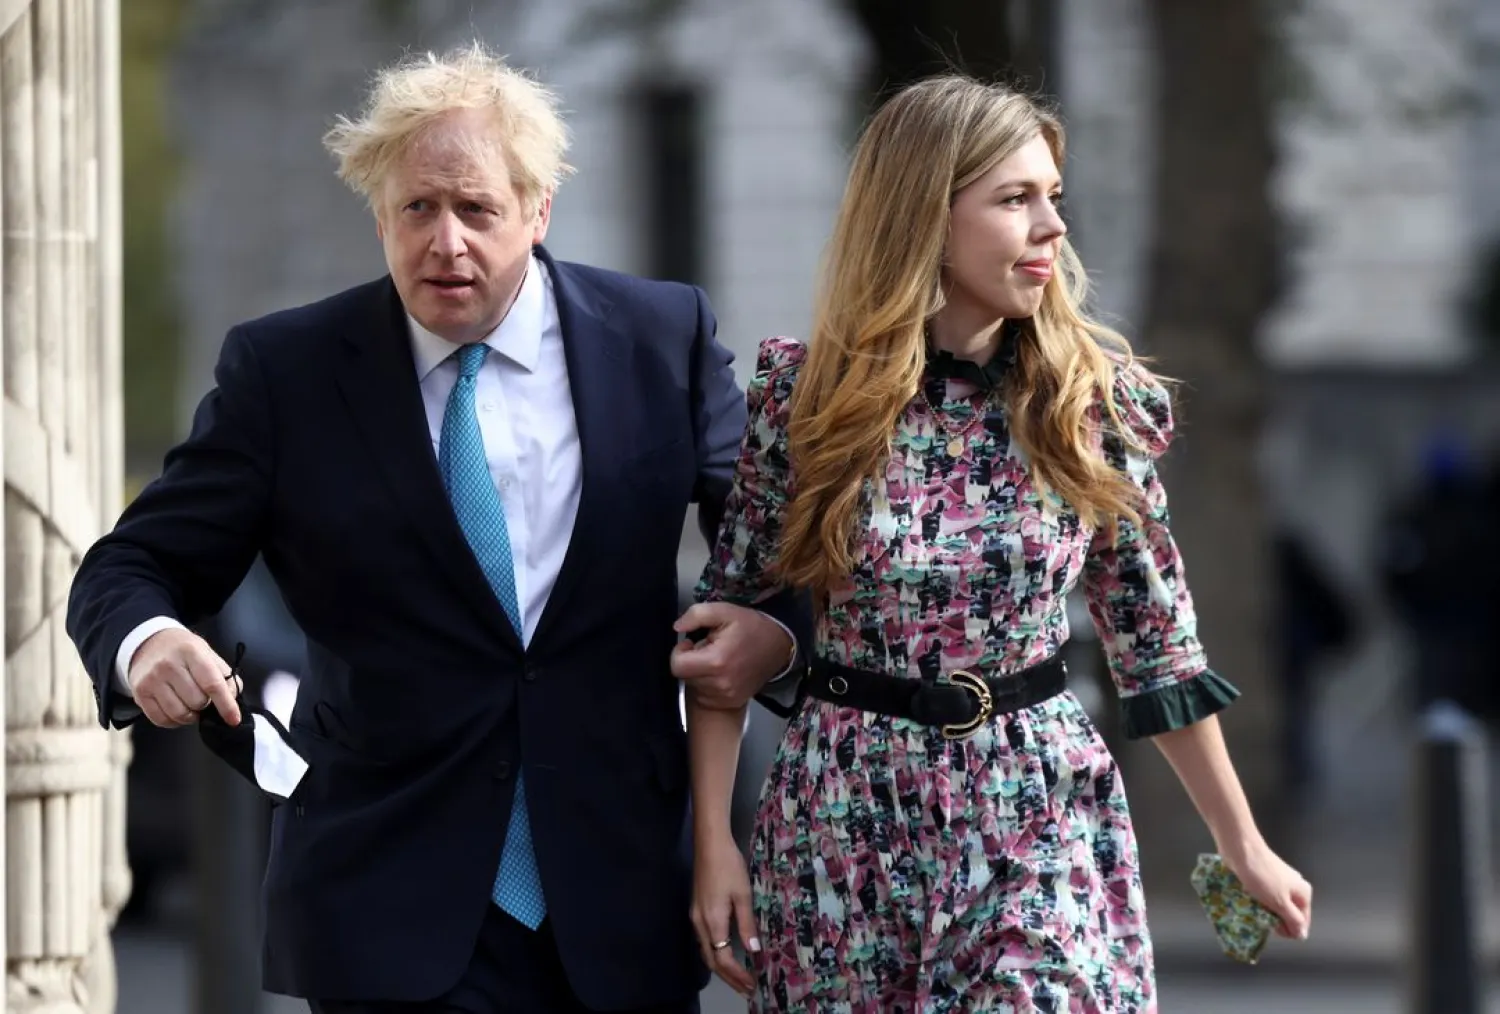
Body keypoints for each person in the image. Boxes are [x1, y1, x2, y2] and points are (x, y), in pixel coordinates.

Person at [66, 43, 806, 1014]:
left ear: (538, 212)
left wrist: (776, 633)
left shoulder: (658, 341)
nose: (445, 241)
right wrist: (148, 640)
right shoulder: (286, 373)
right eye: (417, 208)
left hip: (618, 898)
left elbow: (775, 550)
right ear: (380, 213)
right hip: (385, 903)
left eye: (477, 209)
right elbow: (132, 564)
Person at [680, 75, 1313, 1012]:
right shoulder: (805, 402)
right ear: (924, 217)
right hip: (845, 815)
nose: (1053, 226)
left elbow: (1157, 643)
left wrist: (1241, 840)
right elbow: (722, 635)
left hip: (1037, 801)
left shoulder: (1089, 405)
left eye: (1052, 197)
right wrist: (714, 844)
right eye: (1016, 199)